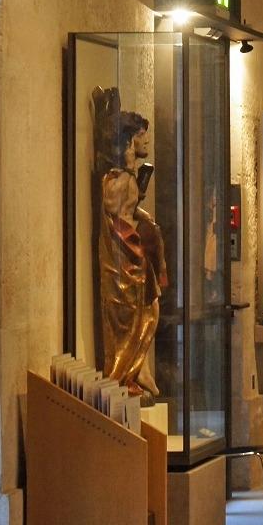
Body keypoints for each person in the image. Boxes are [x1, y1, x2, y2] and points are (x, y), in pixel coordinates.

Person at [94, 90, 167, 396]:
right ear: (129, 140)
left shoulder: (128, 177)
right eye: (142, 136)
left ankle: (138, 370)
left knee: (151, 310)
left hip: (136, 253)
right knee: (129, 316)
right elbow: (113, 214)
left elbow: (129, 210)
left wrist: (147, 222)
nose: (146, 141)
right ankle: (124, 375)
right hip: (124, 256)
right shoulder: (118, 178)